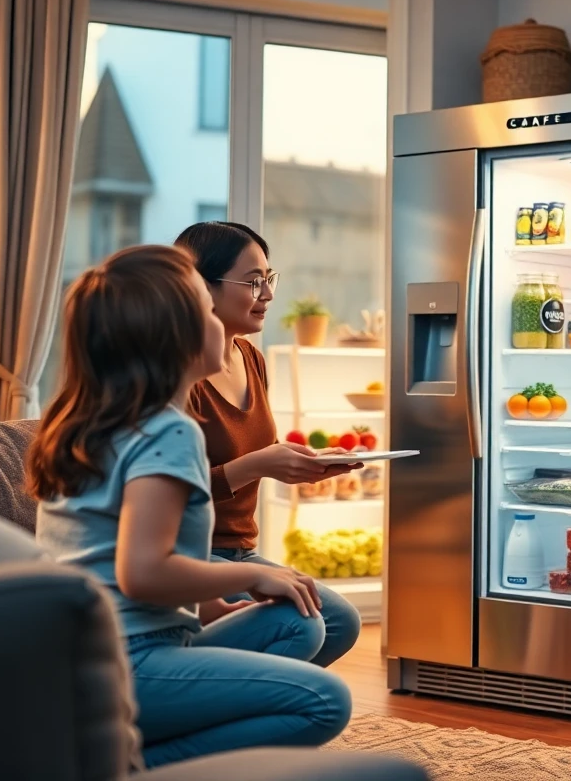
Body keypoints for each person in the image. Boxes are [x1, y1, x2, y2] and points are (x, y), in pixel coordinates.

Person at [29, 245, 351, 767]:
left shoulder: (94, 423)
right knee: (324, 701)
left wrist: (209, 606)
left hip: (88, 653)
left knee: (300, 620)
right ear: (172, 335)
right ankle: (124, 764)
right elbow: (142, 572)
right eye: (205, 310)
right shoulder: (168, 431)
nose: (219, 323)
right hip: (125, 660)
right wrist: (246, 579)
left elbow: (106, 557)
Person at [174, 221, 362, 668]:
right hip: (192, 553)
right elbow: (173, 489)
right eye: (253, 281)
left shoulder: (250, 358)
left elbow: (249, 448)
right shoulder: (176, 372)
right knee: (306, 623)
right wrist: (258, 464)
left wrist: (304, 462)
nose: (268, 294)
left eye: (269, 279)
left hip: (241, 548)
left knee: (341, 621)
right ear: (202, 286)